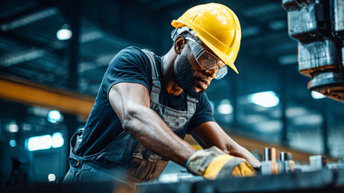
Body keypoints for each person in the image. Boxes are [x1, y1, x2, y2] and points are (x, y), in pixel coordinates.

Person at [63, 3, 261, 184]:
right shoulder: (134, 63)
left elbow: (226, 148)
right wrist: (197, 159)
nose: (211, 72)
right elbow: (135, 116)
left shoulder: (195, 100)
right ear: (181, 44)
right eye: (207, 59)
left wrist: (267, 173)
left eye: (220, 67)